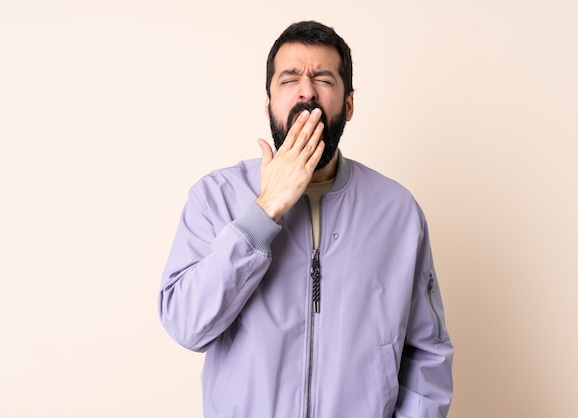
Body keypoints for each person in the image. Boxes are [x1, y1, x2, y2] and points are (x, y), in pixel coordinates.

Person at [159, 20, 454, 418]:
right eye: (289, 79)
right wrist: (266, 209)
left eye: (323, 78)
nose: (306, 90)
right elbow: (186, 325)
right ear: (268, 103)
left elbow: (427, 356)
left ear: (349, 104)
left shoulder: (398, 212)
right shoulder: (215, 197)